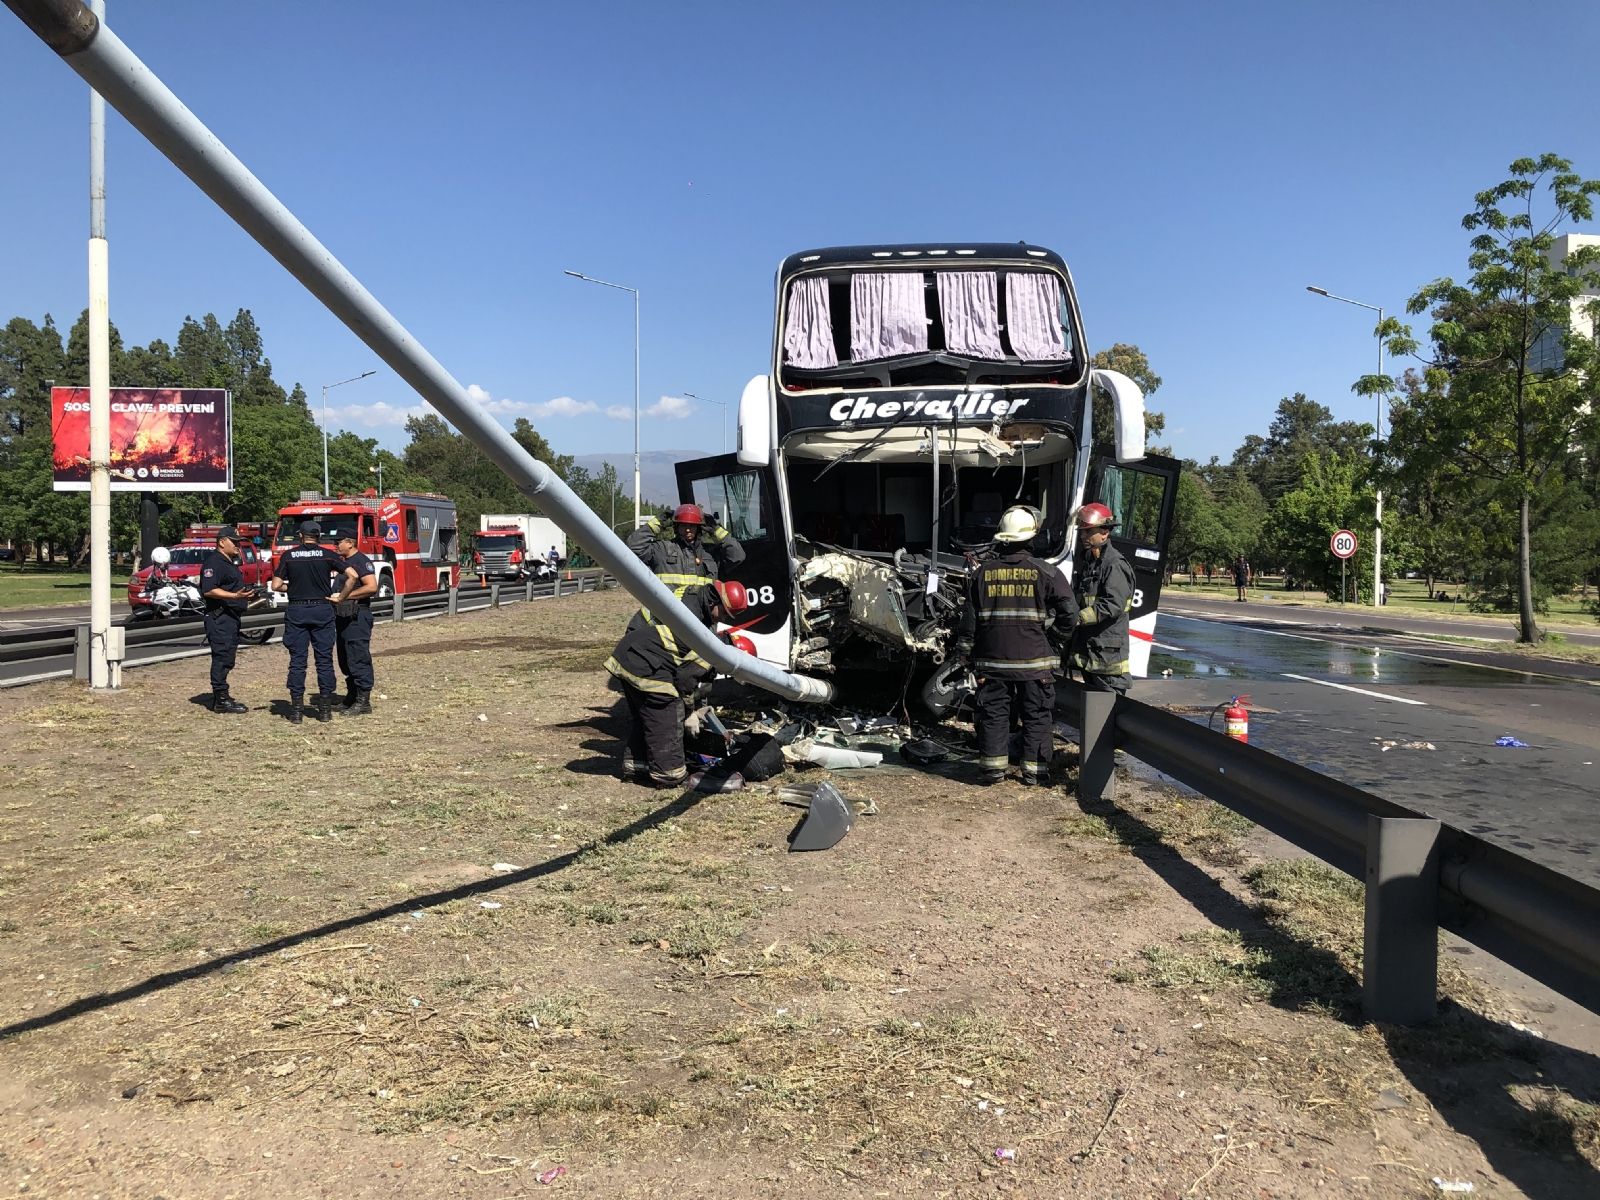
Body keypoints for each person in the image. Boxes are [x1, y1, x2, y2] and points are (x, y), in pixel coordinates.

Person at [953, 506, 1077, 786]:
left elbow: (969, 622)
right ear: (1032, 538)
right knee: (1036, 714)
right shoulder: (1047, 572)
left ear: (1002, 539)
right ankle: (1034, 772)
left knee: (994, 714)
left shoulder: (982, 573)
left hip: (992, 662)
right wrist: (1054, 639)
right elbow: (1071, 614)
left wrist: (965, 654)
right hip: (1034, 662)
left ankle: (992, 770)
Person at [604, 578, 748, 787]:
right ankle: (669, 774)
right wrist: (689, 710)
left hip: (636, 652)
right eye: (725, 613)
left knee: (648, 715)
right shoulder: (709, 647)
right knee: (667, 711)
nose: (725, 619)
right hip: (646, 658)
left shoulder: (699, 610)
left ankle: (637, 764)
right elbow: (685, 680)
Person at [270, 520, 354, 724]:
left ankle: (297, 710)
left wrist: (294, 589)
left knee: (297, 662)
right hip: (322, 609)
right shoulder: (328, 554)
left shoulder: (289, 556)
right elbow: (353, 575)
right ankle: (324, 710)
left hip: (297, 609)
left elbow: (276, 585)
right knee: (324, 661)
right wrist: (341, 597)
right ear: (318, 536)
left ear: (300, 536)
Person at [1066, 502, 1137, 696]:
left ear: (1104, 532)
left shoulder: (1114, 564)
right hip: (1092, 650)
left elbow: (1113, 604)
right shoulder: (1090, 562)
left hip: (1108, 655)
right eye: (1082, 531)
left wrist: (1079, 618)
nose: (1083, 536)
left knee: (1108, 708)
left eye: (1089, 532)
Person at [627, 503, 744, 601]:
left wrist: (716, 531)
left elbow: (737, 555)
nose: (688, 529)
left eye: (692, 526)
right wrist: (656, 524)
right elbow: (634, 546)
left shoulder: (710, 553)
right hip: (669, 616)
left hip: (703, 619)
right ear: (676, 527)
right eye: (683, 525)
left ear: (699, 528)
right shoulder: (662, 549)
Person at [197, 527, 256, 714]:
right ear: (222, 542)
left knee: (228, 657)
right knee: (222, 657)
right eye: (234, 542)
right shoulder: (214, 562)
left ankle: (222, 694)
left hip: (230, 617)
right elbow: (208, 589)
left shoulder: (228, 562)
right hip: (219, 617)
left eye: (239, 542)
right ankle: (220, 699)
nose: (238, 545)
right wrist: (233, 596)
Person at [333, 534, 379, 715]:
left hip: (357, 615)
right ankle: (351, 696)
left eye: (338, 542)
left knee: (358, 657)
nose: (336, 545)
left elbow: (371, 587)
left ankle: (363, 701)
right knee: (345, 658)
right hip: (344, 615)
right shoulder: (344, 561)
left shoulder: (360, 561)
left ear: (350, 543)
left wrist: (343, 596)